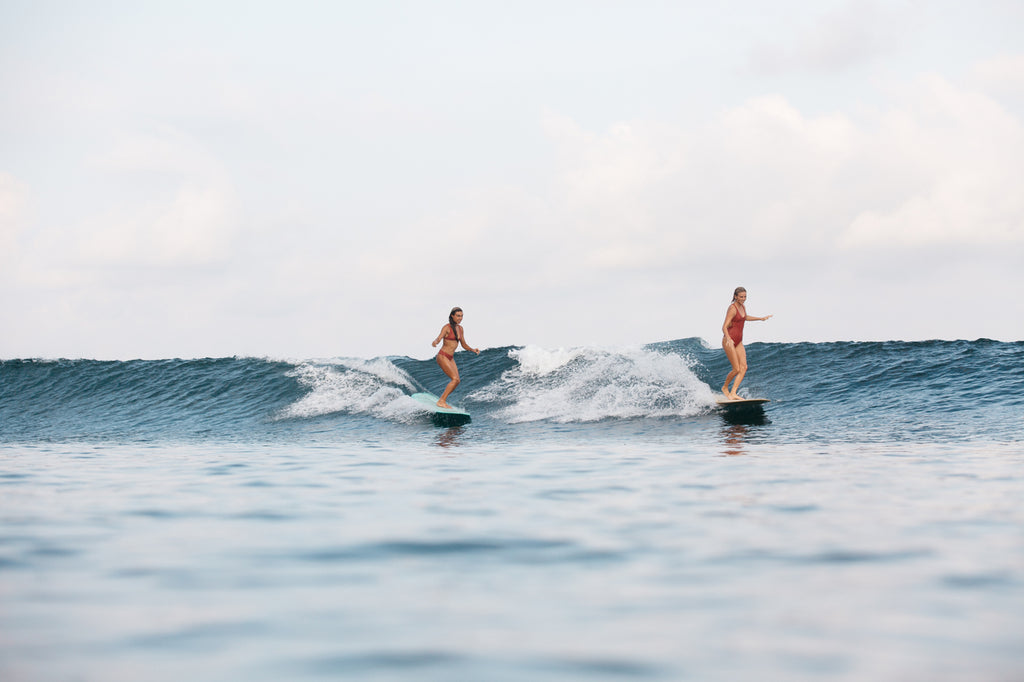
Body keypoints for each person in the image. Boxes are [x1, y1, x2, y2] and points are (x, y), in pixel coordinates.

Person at [721, 287, 772, 400]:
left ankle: (733, 392)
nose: (743, 299)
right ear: (735, 296)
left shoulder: (742, 306)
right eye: (741, 297)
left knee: (744, 367)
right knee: (736, 369)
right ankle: (725, 388)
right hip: (729, 341)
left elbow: (744, 317)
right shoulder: (732, 308)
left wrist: (760, 318)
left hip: (738, 341)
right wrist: (728, 338)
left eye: (745, 297)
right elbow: (724, 326)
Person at [431, 307, 480, 408]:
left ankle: (442, 400)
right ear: (452, 316)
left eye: (461, 316)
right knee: (454, 379)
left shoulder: (460, 329)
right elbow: (439, 338)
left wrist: (472, 349)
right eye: (458, 316)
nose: (460, 318)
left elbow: (464, 344)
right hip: (443, 356)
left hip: (450, 358)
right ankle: (441, 401)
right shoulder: (447, 327)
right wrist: (435, 342)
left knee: (457, 380)